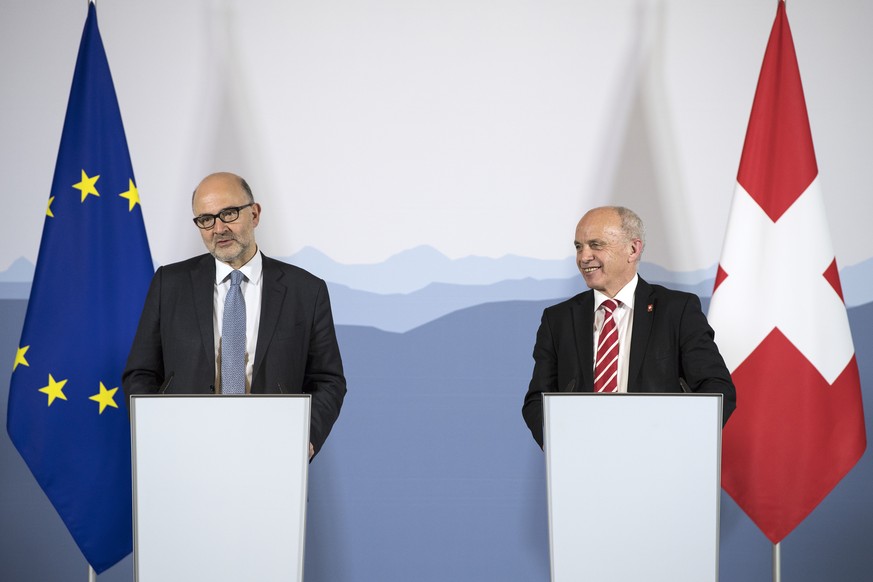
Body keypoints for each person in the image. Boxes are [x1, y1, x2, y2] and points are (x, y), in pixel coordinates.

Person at [123, 172, 346, 459]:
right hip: (183, 453)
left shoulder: (306, 291)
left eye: (228, 214)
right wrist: (155, 433)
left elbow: (328, 380)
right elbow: (140, 373)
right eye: (206, 219)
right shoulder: (169, 283)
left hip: (273, 452)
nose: (218, 228)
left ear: (254, 214)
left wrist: (306, 438)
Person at [522, 206, 735, 448]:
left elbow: (717, 389)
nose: (584, 257)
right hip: (583, 465)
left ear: (633, 249)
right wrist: (563, 447)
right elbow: (537, 400)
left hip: (662, 461)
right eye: (579, 247)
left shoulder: (677, 310)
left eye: (596, 245)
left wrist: (681, 445)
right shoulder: (558, 319)